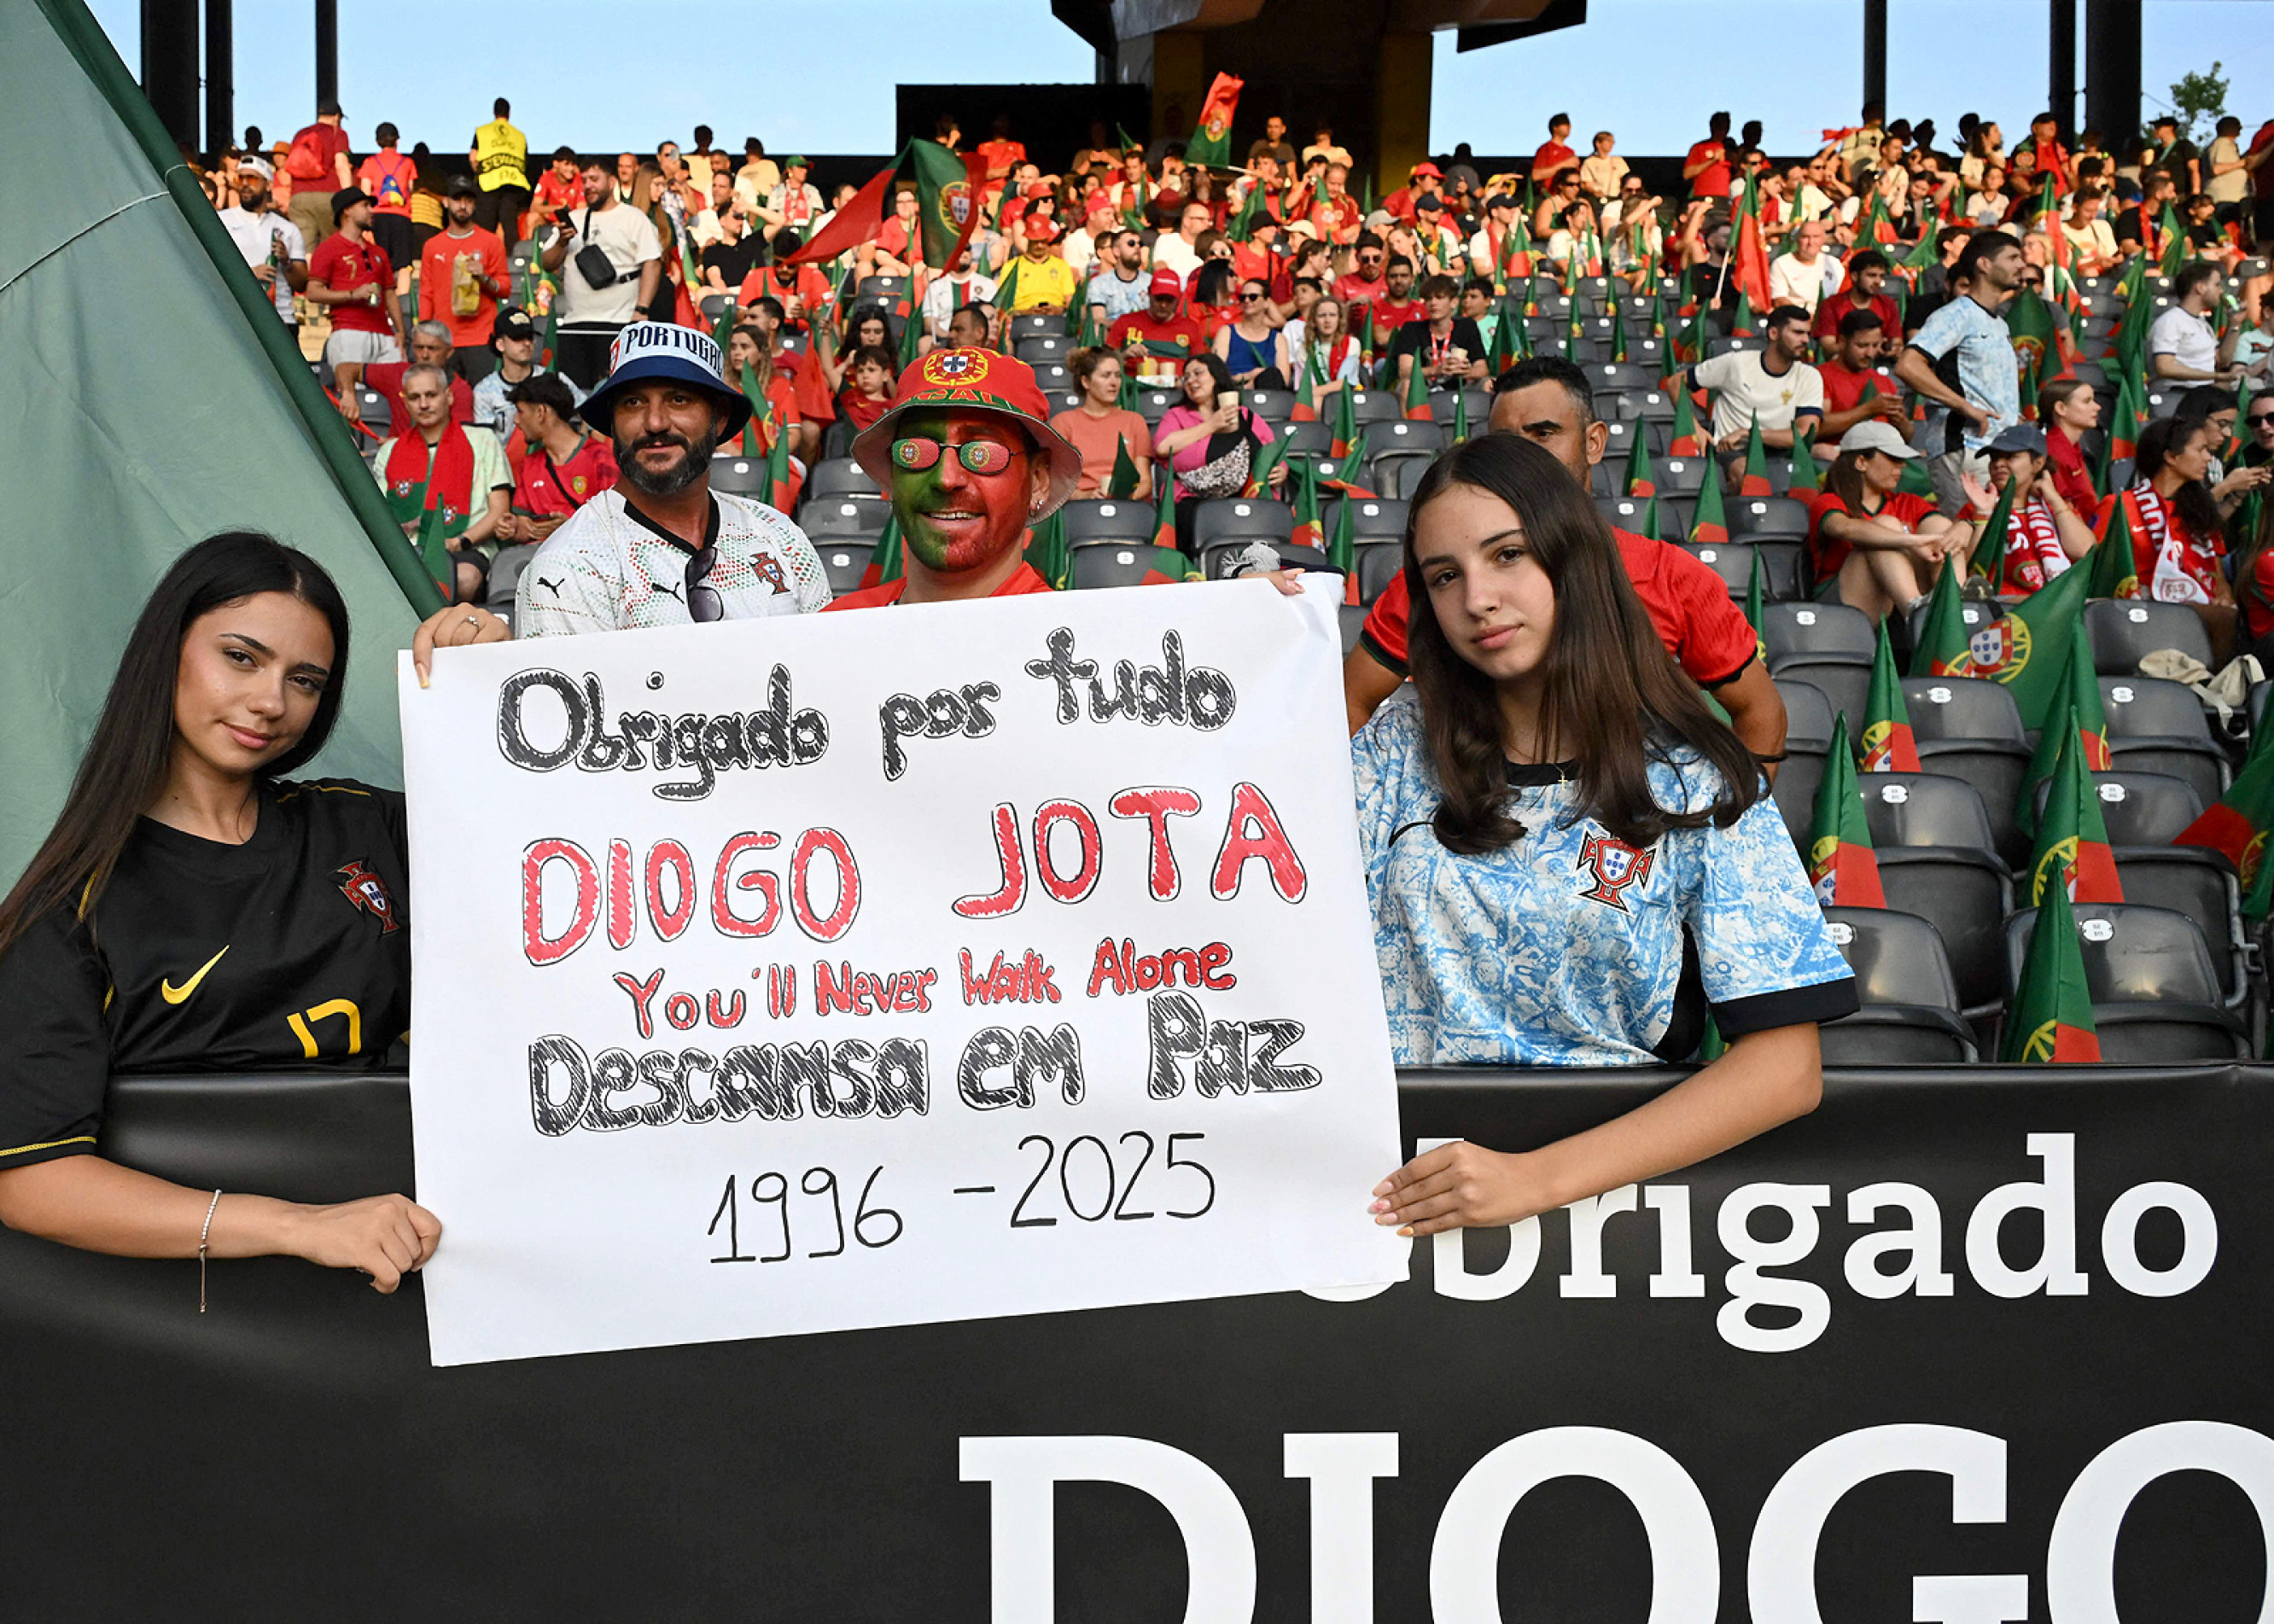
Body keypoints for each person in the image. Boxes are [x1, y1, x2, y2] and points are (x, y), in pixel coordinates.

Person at [1355, 433, 1850, 1232]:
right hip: (1393, 1197)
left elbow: (1786, 1070)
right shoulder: (1392, 742)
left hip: (1605, 1217)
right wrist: (1262, 637)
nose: (1476, 597)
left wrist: (1533, 1182)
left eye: (1507, 555)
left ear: (1572, 559)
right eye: (1444, 576)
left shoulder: (1695, 775)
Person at [0, 533, 511, 1295]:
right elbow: (32, 1179)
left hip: (437, 1278)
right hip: (201, 1333)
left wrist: (502, 679)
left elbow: (553, 857)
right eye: (240, 657)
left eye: (305, 679)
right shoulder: (72, 905)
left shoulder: (366, 830)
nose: (272, 701)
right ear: (166, 650)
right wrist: (304, 1225)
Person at [1342, 358, 1786, 765]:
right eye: (1504, 443)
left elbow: (1759, 710)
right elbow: (1351, 698)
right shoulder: (1447, 581)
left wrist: (1735, 832)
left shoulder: (1672, 577)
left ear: (1593, 442)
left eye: (1543, 433)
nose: (1523, 457)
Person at [515, 323, 827, 636]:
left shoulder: (780, 536)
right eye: (633, 402)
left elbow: (826, 670)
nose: (655, 423)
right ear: (613, 420)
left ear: (718, 418)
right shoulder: (568, 565)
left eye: (679, 400)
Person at [827, 351, 1082, 609]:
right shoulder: (834, 629)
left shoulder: (1076, 640)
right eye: (916, 450)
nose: (946, 478)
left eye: (982, 453)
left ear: (1037, 480)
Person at [1895, 230, 2025, 514]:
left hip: (1997, 451)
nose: (2021, 265)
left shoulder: (2000, 324)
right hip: (1963, 446)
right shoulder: (1955, 315)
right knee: (1966, 539)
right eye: (2013, 257)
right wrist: (1965, 407)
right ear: (1984, 265)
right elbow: (1908, 365)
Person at [1807, 421, 1974, 623]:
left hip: (1897, 602)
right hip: (1844, 605)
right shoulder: (1828, 501)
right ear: (1861, 462)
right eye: (1893, 458)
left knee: (1941, 527)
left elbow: (1942, 532)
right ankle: (1917, 613)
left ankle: (1954, 602)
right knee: (1884, 528)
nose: (1902, 465)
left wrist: (1965, 525)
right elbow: (1843, 528)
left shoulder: (1907, 502)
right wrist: (1911, 541)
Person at [370, 363, 511, 602]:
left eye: (431, 395)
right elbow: (380, 515)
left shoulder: (483, 440)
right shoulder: (391, 450)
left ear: (449, 397)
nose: (423, 404)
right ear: (405, 403)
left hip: (467, 548)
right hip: (408, 552)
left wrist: (461, 541)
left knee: (463, 579)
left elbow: (500, 510)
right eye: (414, 398)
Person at [540, 160, 664, 390]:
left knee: (616, 396)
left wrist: (642, 310)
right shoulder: (573, 218)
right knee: (575, 397)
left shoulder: (633, 218)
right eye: (584, 180)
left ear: (612, 181)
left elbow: (652, 264)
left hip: (619, 323)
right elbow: (547, 263)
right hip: (576, 325)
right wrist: (561, 241)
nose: (588, 186)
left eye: (594, 179)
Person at [1151, 353, 1283, 553]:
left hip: (1244, 495)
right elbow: (1163, 447)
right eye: (1187, 377)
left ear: (1216, 376)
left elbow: (1271, 448)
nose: (1192, 381)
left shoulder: (1244, 415)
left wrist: (1282, 470)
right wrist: (1212, 425)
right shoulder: (1176, 415)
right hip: (1192, 500)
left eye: (1198, 373)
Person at [1688, 305, 1824, 480]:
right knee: (1748, 473)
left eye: (1807, 334)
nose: (1806, 340)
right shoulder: (1736, 363)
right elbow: (1675, 383)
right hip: (1734, 450)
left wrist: (1748, 432)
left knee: (1827, 458)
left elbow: (1805, 433)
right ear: (1773, 334)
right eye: (1798, 333)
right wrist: (1696, 427)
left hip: (1783, 451)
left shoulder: (1810, 376)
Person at [496, 371, 618, 556]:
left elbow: (618, 523)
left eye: (520, 412)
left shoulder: (600, 458)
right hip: (537, 559)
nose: (516, 420)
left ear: (541, 412)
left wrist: (570, 527)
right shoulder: (529, 465)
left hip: (590, 558)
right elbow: (523, 528)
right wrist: (512, 528)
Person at [307, 188, 408, 386]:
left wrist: (401, 332)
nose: (372, 211)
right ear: (347, 210)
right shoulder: (329, 248)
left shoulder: (378, 251)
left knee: (398, 392)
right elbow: (312, 291)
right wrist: (353, 294)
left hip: (385, 333)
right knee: (354, 395)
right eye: (365, 206)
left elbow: (390, 293)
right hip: (348, 330)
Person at [418, 176, 510, 383]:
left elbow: (504, 288)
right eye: (458, 199)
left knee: (482, 402)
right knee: (446, 403)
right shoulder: (432, 246)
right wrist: (425, 333)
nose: (463, 205)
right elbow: (426, 291)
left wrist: (484, 277)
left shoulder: (491, 242)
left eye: (468, 200)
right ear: (446, 202)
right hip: (444, 339)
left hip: (481, 338)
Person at [215, 158, 307, 338]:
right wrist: (249, 274)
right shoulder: (221, 221)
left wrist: (286, 262)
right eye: (240, 179)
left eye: (252, 179)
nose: (245, 184)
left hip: (281, 318)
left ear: (268, 185)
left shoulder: (287, 228)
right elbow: (208, 269)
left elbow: (302, 283)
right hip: (238, 317)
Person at [338, 321, 475, 435]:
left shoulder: (460, 389)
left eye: (432, 349)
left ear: (449, 352)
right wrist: (348, 394)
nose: (425, 355)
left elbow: (460, 439)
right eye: (419, 348)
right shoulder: (398, 373)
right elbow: (345, 368)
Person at [1051, 347, 1152, 498]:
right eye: (1106, 376)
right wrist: (1085, 496)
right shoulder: (1063, 422)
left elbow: (1145, 481)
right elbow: (1055, 483)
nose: (1114, 383)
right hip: (1081, 507)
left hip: (1126, 504)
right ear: (1086, 382)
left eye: (1117, 376)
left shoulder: (1134, 421)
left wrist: (1125, 498)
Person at [1813, 309, 1906, 451]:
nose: (1870, 354)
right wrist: (1869, 409)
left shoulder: (1883, 381)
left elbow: (1908, 436)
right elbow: (1816, 428)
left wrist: (1901, 421)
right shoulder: (1820, 376)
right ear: (1842, 342)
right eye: (1862, 346)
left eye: (1875, 346)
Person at [1390, 274, 1487, 394]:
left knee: (1488, 383)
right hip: (1423, 390)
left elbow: (1482, 369)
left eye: (1439, 298)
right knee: (1407, 385)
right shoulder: (1412, 329)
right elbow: (1404, 372)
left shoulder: (1467, 326)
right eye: (1429, 299)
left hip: (1460, 389)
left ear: (1454, 302)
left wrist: (1466, 371)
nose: (1433, 303)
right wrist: (1436, 370)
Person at [2150, 261, 2243, 386]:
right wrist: (2218, 376)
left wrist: (2235, 324)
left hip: (2203, 392)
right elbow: (2165, 367)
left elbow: (2222, 360)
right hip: (2178, 393)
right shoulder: (2171, 321)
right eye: (2217, 285)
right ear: (2200, 288)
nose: (2221, 291)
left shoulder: (2202, 322)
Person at [1110, 268, 1206, 387]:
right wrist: (1124, 356)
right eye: (1159, 299)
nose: (1163, 305)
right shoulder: (1125, 322)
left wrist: (1184, 381)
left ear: (1179, 299)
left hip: (1177, 391)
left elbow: (1201, 367)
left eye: (1169, 300)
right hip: (1133, 390)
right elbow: (1103, 364)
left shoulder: (1190, 327)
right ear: (1148, 294)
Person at [282, 99, 354, 247]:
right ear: (336, 117)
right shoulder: (338, 134)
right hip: (329, 197)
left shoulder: (300, 134)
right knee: (331, 247)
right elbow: (341, 165)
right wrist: (349, 199)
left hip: (299, 198)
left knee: (304, 248)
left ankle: (308, 270)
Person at [353, 123, 418, 276]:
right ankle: (402, 298)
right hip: (402, 217)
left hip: (377, 217)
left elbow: (365, 194)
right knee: (403, 265)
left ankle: (380, 297)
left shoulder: (370, 163)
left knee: (378, 261)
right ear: (397, 141)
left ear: (377, 141)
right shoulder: (408, 163)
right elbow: (410, 189)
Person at [467, 97, 529, 247]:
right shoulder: (520, 135)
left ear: (494, 112)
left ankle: (482, 258)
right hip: (513, 183)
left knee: (485, 225)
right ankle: (513, 260)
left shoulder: (483, 131)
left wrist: (480, 173)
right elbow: (524, 162)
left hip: (489, 182)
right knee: (510, 225)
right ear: (509, 113)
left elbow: (473, 158)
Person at [1213, 276, 1291, 389]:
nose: (1247, 301)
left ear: (1266, 302)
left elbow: (1283, 380)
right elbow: (1216, 375)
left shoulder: (1278, 339)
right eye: (1243, 297)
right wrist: (1249, 376)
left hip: (1268, 396)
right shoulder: (1227, 333)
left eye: (1253, 297)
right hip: (1232, 394)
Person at [2038, 377, 2102, 514]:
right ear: (2061, 408)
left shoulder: (2072, 447)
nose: (2097, 407)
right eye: (2086, 401)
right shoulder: (2053, 452)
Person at [1285, 294, 1362, 405]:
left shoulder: (1352, 344)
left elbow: (1343, 383)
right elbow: (1305, 388)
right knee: (1314, 403)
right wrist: (1312, 394)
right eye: (1322, 316)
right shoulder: (1305, 349)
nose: (1327, 320)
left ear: (1339, 319)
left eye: (1332, 315)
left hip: (1346, 397)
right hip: (1317, 400)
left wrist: (1313, 393)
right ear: (1314, 321)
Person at [1002, 218, 1078, 315]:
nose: (1039, 245)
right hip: (1021, 318)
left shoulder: (1061, 266)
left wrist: (1058, 310)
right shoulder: (1011, 267)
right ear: (1028, 239)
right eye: (1035, 241)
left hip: (1055, 318)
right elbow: (1004, 302)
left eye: (1043, 241)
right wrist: (1026, 311)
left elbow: (1069, 299)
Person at [1768, 220, 1841, 316]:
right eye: (1805, 237)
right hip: (1796, 319)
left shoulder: (1833, 263)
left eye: (1816, 237)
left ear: (1823, 240)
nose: (1811, 242)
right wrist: (1808, 318)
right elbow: (1779, 300)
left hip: (1829, 318)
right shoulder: (1781, 264)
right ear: (1797, 240)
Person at [1084, 228, 1149, 328]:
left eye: (1139, 244)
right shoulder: (1099, 284)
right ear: (1116, 251)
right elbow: (1098, 321)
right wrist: (1126, 325)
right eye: (1131, 243)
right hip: (1112, 337)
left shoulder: (1150, 282)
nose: (1137, 247)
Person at [834, 345, 898, 434]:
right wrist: (846, 363)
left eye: (871, 370)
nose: (865, 376)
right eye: (860, 371)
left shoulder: (893, 408)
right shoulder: (850, 396)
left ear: (885, 375)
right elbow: (830, 372)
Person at [1684, 112, 1734, 201]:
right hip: (1702, 197)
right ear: (1712, 126)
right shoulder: (1699, 147)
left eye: (1725, 125)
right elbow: (1687, 174)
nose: (1722, 129)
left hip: (1725, 199)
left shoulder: (1731, 148)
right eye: (1719, 125)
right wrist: (1713, 160)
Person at [1578, 131, 1628, 201]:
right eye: (1609, 141)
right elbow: (1586, 184)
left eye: (1612, 141)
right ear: (1598, 144)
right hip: (1598, 199)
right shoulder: (1590, 162)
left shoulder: (1618, 161)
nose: (1612, 143)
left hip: (1617, 198)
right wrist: (1596, 192)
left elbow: (1627, 180)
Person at [1531, 115, 1577, 188]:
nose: (1569, 127)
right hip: (1550, 195)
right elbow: (1536, 175)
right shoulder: (1546, 149)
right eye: (1565, 123)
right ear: (1555, 127)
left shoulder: (1570, 152)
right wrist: (1564, 165)